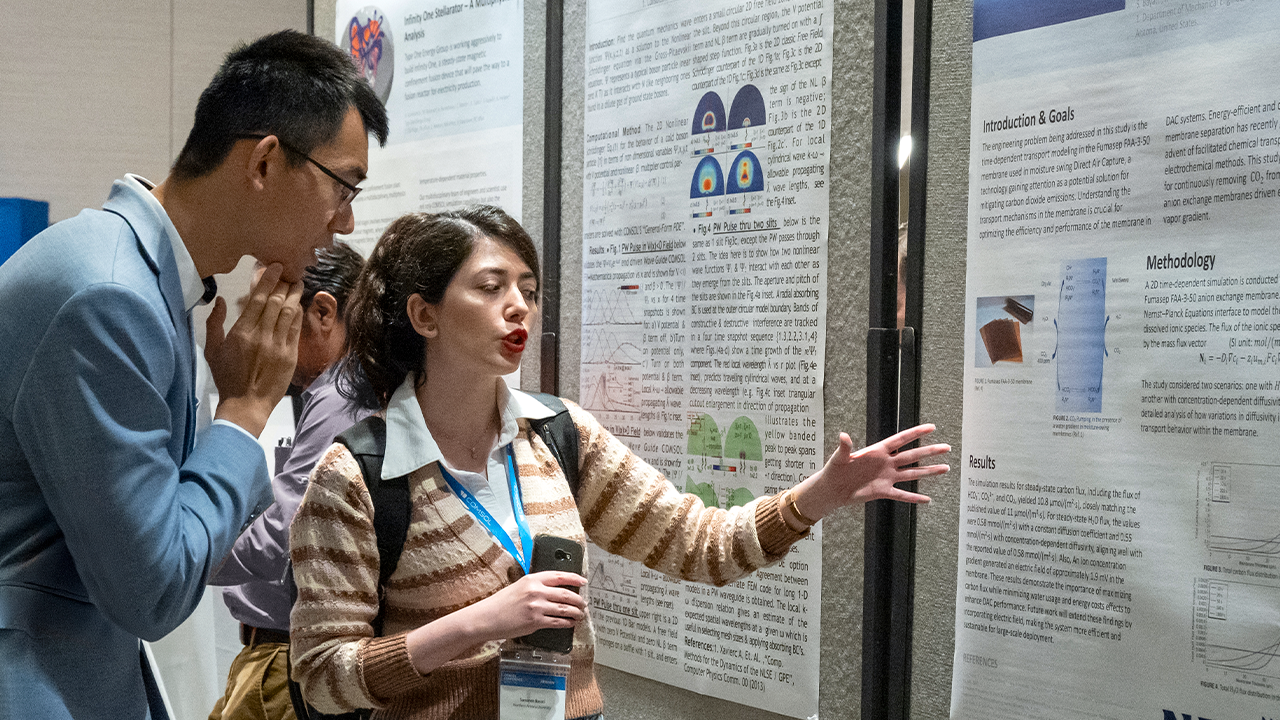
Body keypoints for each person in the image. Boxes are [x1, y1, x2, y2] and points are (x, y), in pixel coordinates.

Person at [289, 207, 950, 720]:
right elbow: (322, 674)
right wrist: (484, 622)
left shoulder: (559, 434)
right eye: (491, 287)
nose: (519, 304)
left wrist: (817, 497)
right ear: (424, 315)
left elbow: (698, 545)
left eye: (528, 287)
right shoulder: (357, 476)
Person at [0, 31, 388, 720]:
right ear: (266, 162)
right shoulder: (108, 293)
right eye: (343, 186)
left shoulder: (144, 279)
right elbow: (153, 589)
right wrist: (243, 412)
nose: (346, 221)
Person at [207, 244, 369, 720]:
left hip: (285, 661)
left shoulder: (341, 391)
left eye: (270, 315)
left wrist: (182, 558)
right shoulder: (340, 386)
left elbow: (285, 531)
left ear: (322, 312)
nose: (258, 336)